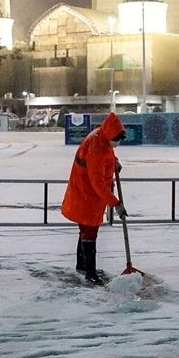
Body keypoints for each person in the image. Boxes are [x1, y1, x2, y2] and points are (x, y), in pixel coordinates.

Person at [61, 112, 127, 285]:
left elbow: (108, 151)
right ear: (110, 135)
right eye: (117, 140)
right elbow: (97, 182)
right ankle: (89, 272)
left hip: (87, 194)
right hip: (86, 194)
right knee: (89, 232)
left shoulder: (102, 136)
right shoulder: (97, 147)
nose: (117, 144)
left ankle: (82, 266)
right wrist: (116, 204)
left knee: (85, 230)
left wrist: (114, 161)